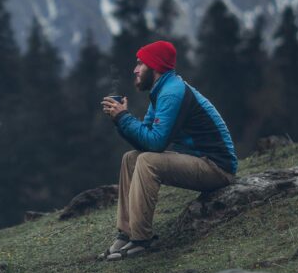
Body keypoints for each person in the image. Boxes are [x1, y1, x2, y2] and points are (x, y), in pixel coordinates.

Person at [99, 40, 237, 260]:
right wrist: (120, 119)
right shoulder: (161, 90)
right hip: (196, 160)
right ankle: (125, 234)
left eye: (140, 64)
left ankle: (141, 240)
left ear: (154, 66)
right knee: (131, 159)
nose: (135, 69)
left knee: (147, 161)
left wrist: (124, 117)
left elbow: (156, 144)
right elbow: (146, 140)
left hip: (217, 167)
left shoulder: (172, 93)